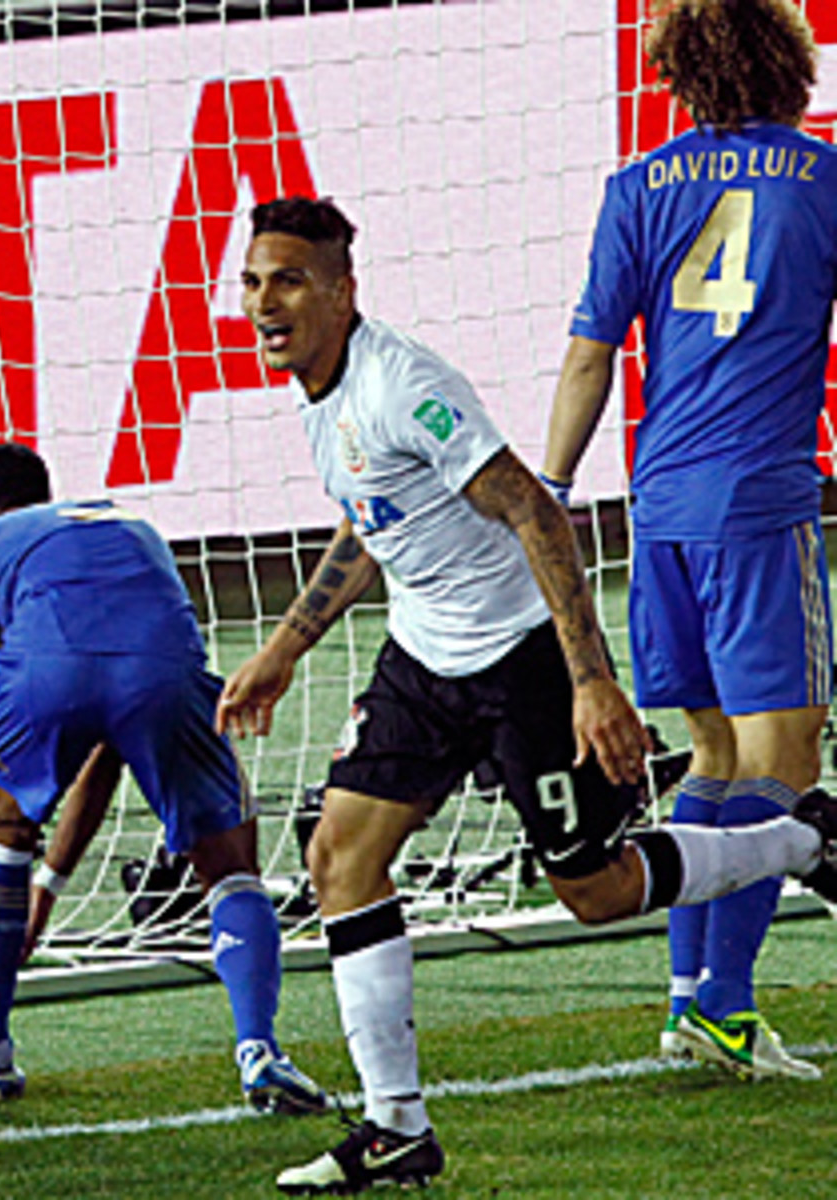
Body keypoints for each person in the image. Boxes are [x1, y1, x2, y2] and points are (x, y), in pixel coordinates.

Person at [217, 194, 837, 1194]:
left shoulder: (399, 384)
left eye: (286, 280)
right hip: (422, 661)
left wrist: (588, 679)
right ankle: (395, 1130)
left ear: (341, 291)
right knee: (339, 860)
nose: (261, 302)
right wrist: (288, 644)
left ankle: (805, 839)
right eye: (251, 281)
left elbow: (535, 512)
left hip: (519, 659)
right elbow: (371, 519)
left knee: (592, 892)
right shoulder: (317, 391)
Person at [0, 442, 326, 1115]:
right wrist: (51, 885)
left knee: (2, 829)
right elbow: (109, 744)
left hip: (48, 669)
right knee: (230, 863)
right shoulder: (126, 526)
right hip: (164, 663)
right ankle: (260, 1051)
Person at [541, 0, 836, 1082]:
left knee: (712, 757)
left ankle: (684, 1003)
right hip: (759, 507)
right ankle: (724, 1005)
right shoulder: (822, 177)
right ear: (784, 66)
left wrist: (548, 493)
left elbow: (588, 359)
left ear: (681, 76)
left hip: (656, 507)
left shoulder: (635, 187)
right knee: (783, 764)